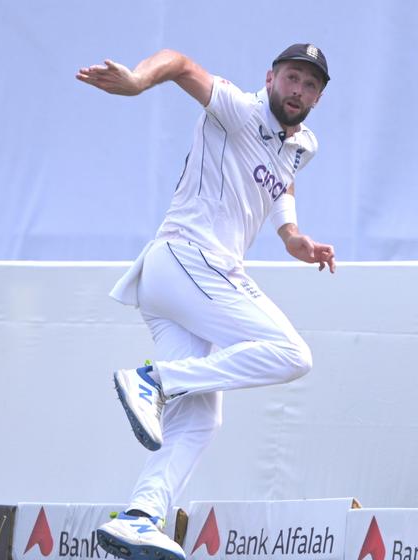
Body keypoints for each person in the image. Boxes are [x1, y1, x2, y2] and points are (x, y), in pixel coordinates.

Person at [75, 44, 337, 560]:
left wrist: (291, 236)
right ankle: (154, 381)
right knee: (292, 354)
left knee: (200, 420)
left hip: (174, 286)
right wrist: (138, 82)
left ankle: (141, 517)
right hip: (188, 258)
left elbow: (281, 178)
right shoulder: (238, 108)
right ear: (271, 77)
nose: (298, 90)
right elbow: (179, 63)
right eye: (291, 78)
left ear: (318, 97)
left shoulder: (303, 144)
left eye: (310, 85)